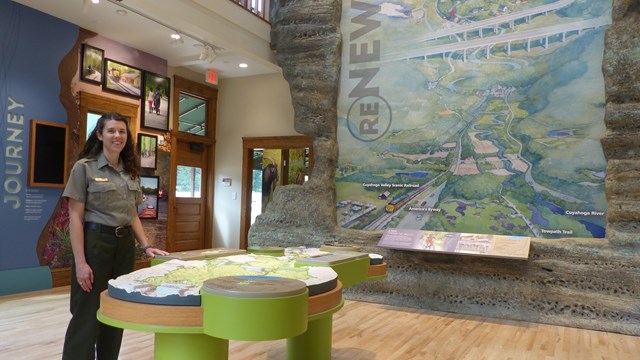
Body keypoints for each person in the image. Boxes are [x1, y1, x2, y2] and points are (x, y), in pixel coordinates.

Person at [61, 112, 168, 360]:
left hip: (124, 247)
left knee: (115, 311)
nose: (117, 136)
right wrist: (80, 263)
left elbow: (132, 214)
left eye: (121, 131)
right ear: (100, 135)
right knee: (87, 315)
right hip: (95, 244)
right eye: (111, 131)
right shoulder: (84, 168)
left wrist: (146, 245)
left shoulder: (130, 172)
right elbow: (74, 217)